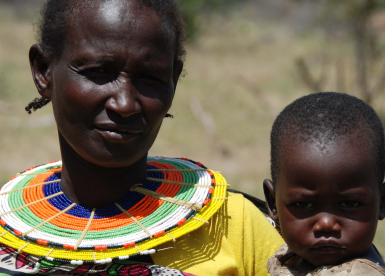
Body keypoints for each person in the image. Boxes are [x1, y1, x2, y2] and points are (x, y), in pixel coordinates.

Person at [0, 0, 284, 275]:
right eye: (98, 72)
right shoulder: (6, 238)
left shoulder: (235, 226)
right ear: (43, 72)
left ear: (173, 78)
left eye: (150, 77)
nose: (124, 104)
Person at [263, 92, 385, 276]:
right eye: (303, 204)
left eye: (349, 204)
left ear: (382, 201)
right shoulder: (287, 259)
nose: (325, 224)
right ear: (272, 203)